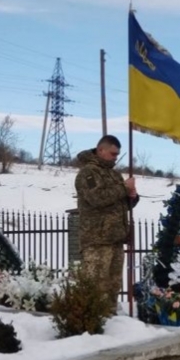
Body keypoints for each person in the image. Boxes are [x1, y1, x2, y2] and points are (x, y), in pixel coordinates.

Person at [74, 135, 139, 314]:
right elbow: (97, 198)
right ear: (100, 150)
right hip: (97, 240)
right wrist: (123, 188)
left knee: (113, 285)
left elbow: (122, 204)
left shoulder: (114, 174)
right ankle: (90, 321)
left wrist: (132, 196)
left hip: (115, 238)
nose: (115, 158)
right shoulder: (88, 173)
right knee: (95, 285)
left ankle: (110, 319)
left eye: (117, 155)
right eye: (112, 154)